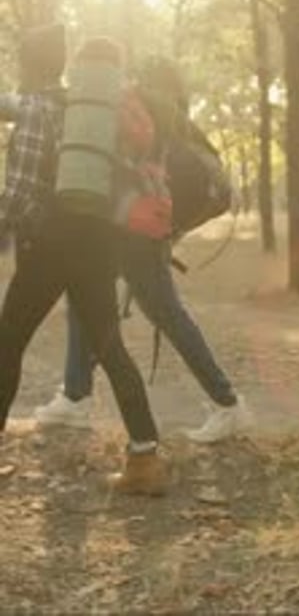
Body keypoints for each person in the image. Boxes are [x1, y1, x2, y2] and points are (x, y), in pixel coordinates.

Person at [31, 55, 252, 444]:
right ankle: (75, 396)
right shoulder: (172, 118)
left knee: (165, 314)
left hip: (134, 230)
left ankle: (228, 404)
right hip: (140, 227)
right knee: (91, 303)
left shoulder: (134, 107)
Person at [0, 28, 167, 496]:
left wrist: (19, 228)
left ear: (29, 65)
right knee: (110, 346)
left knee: (8, 341)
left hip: (52, 242)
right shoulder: (93, 110)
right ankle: (145, 457)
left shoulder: (36, 109)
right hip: (100, 241)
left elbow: (19, 193)